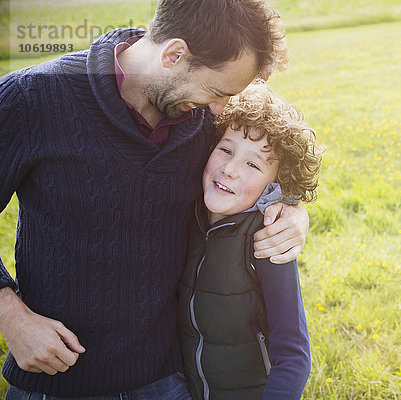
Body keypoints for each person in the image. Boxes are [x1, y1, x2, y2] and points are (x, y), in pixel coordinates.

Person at [0, 0, 310, 398]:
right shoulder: (30, 98)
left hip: (167, 382)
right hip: (58, 383)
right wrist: (12, 317)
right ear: (173, 54)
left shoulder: (204, 122)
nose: (221, 110)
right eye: (216, 92)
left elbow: (259, 165)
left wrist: (292, 209)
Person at [178, 80, 323, 400]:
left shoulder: (267, 241)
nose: (229, 169)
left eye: (253, 164)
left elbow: (294, 356)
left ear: (276, 187)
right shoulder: (188, 218)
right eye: (226, 149)